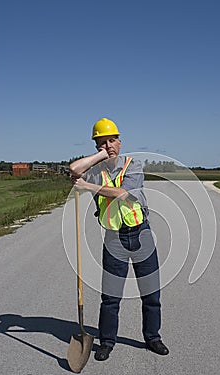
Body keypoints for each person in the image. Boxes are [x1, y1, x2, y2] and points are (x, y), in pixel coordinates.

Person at [70, 118, 169, 361]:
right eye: (102, 143)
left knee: (151, 294)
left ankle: (152, 337)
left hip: (141, 235)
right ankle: (107, 341)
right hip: (114, 239)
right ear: (97, 147)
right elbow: (74, 170)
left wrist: (89, 187)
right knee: (111, 297)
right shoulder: (95, 171)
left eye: (112, 140)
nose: (109, 145)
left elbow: (123, 194)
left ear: (120, 141)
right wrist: (99, 157)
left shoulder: (133, 165)